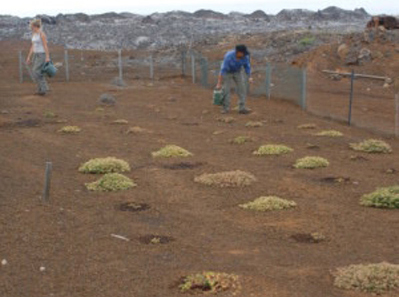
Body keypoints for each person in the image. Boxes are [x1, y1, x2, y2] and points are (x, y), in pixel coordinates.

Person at [216, 44, 253, 114]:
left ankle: (242, 108)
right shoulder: (228, 57)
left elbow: (247, 67)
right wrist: (219, 83)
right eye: (243, 53)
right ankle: (225, 108)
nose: (244, 55)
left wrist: (250, 76)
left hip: (237, 72)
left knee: (242, 88)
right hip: (227, 72)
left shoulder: (245, 57)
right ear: (238, 52)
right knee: (226, 89)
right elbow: (222, 70)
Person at [26, 19, 50, 96]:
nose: (31, 27)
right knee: (36, 72)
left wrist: (47, 57)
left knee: (36, 71)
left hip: (41, 54)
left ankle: (43, 88)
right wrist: (29, 57)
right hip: (35, 54)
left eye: (32, 26)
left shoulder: (41, 34)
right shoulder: (34, 34)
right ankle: (41, 89)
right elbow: (32, 46)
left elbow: (45, 46)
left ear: (35, 26)